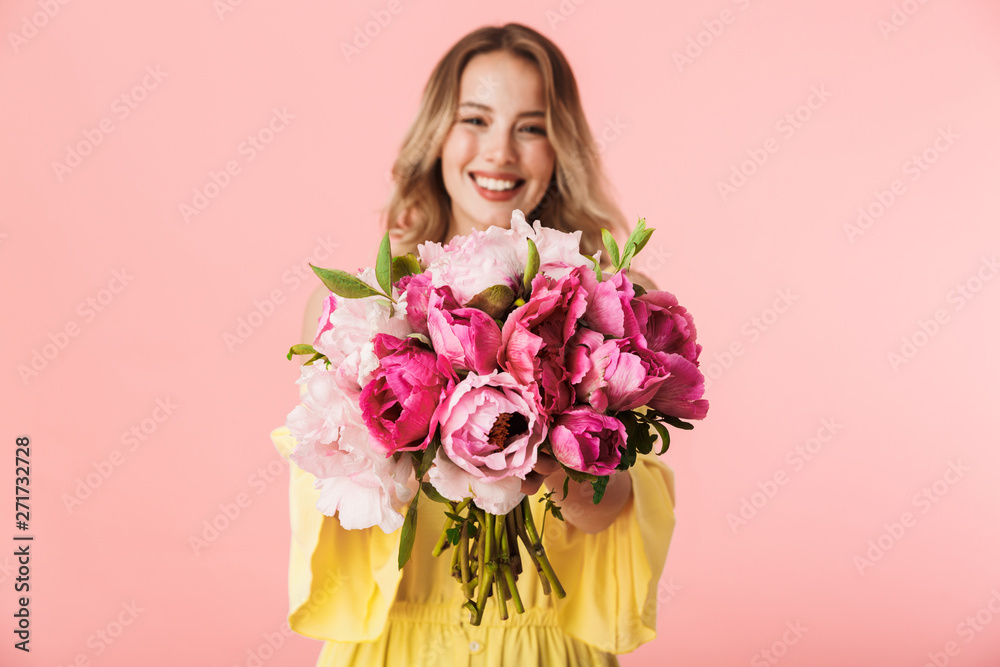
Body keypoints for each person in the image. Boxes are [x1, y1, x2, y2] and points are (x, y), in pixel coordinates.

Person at [270, 22, 678, 666]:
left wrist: (551, 456)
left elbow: (614, 512)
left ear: (559, 146)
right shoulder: (357, 315)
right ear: (437, 134)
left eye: (531, 125)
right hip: (395, 649)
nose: (500, 153)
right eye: (476, 119)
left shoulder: (611, 311)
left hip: (543, 650)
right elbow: (330, 501)